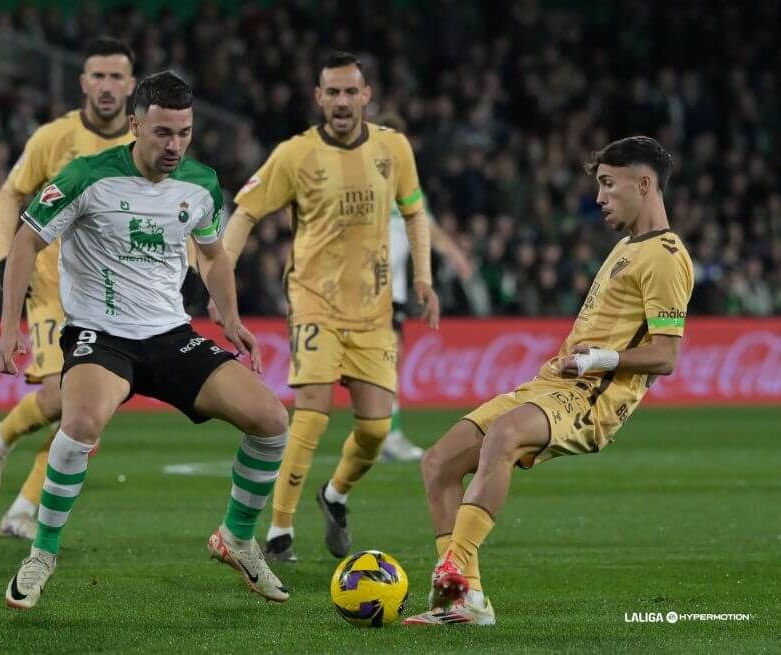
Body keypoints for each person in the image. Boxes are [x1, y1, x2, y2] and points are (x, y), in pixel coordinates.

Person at [0, 71, 290, 610]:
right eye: (163, 133)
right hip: (101, 337)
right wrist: (9, 324)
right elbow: (25, 241)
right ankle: (43, 551)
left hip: (171, 334)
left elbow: (214, 253)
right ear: (135, 126)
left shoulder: (201, 185)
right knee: (81, 422)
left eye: (184, 133)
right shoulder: (86, 177)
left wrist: (229, 317)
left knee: (272, 421)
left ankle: (236, 536)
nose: (175, 145)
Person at [403, 136, 694, 626]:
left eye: (608, 184)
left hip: (592, 398)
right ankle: (466, 601)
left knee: (505, 434)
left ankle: (453, 565)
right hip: (551, 385)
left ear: (644, 184)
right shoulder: (627, 246)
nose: (599, 197)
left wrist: (598, 360)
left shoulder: (665, 256)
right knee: (438, 463)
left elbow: (666, 355)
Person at [218, 52, 440, 563]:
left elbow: (416, 212)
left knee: (376, 430)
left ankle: (335, 495)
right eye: (332, 92)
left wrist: (424, 277)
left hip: (375, 310)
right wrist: (220, 277)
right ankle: (278, 532)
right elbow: (246, 212)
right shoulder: (295, 155)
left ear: (366, 96)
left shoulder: (394, 147)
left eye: (350, 92)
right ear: (319, 98)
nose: (341, 102)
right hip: (314, 303)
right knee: (311, 416)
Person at [0, 37, 137, 540]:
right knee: (64, 399)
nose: (107, 87)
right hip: (52, 290)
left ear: (132, 85)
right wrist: (7, 257)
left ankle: (21, 505)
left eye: (116, 78)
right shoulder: (54, 138)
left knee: (88, 419)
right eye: (98, 76)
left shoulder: (142, 142)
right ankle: (0, 438)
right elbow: (11, 194)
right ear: (83, 82)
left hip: (115, 301)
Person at [375, 111, 472, 462]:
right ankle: (387, 435)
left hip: (395, 291)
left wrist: (457, 256)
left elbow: (427, 227)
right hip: (370, 287)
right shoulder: (367, 182)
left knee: (388, 359)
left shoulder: (406, 187)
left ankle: (384, 432)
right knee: (387, 357)